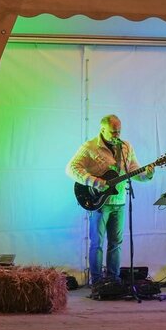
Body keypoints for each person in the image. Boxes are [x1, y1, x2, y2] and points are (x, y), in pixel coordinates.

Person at [66, 114, 154, 284]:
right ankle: (97, 281)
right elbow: (71, 168)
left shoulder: (126, 146)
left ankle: (113, 280)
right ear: (103, 129)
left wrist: (147, 174)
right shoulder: (90, 146)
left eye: (119, 132)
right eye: (113, 132)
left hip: (119, 201)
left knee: (116, 243)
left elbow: (134, 170)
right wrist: (94, 182)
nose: (117, 135)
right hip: (99, 202)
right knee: (97, 243)